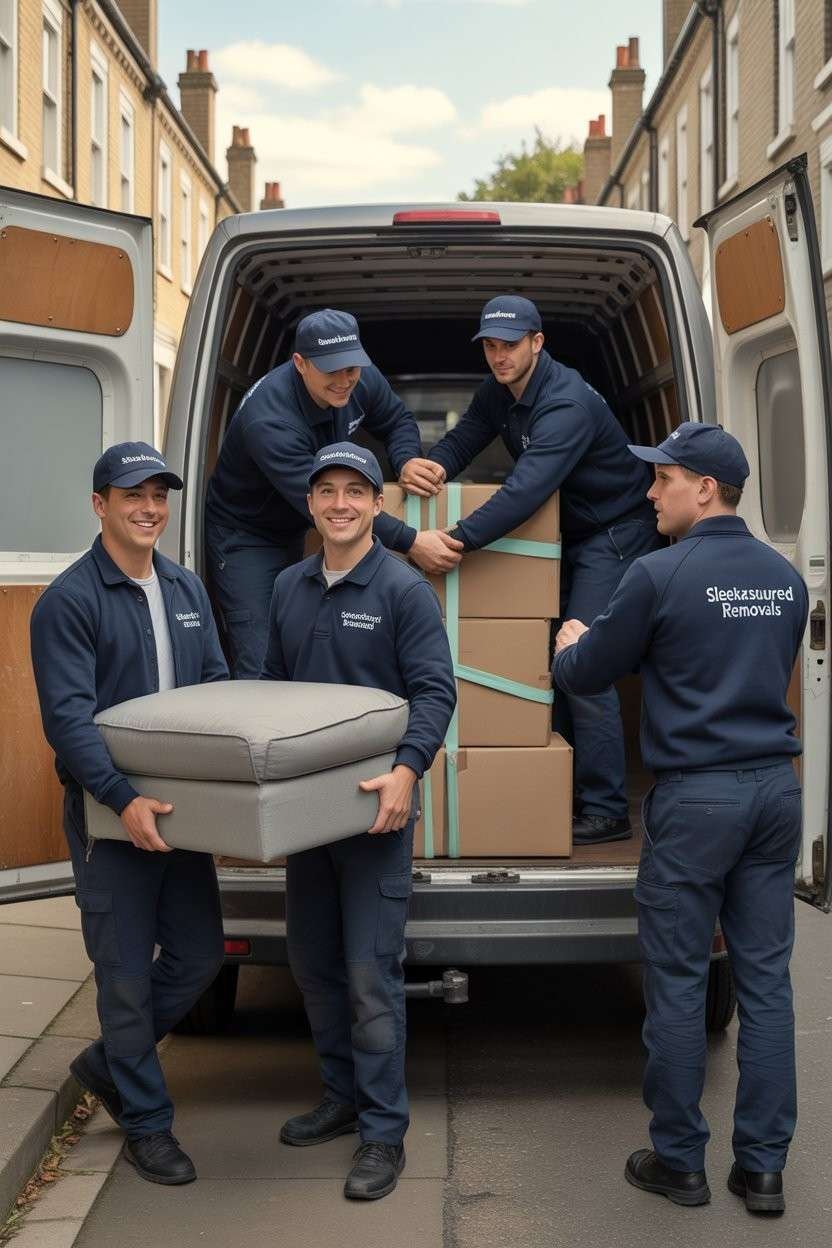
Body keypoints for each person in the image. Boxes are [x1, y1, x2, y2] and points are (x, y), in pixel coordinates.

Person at [552, 423, 808, 1214]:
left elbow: (591, 671)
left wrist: (571, 641)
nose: (650, 491)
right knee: (765, 983)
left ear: (706, 488)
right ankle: (763, 1169)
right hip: (774, 791)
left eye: (663, 479)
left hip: (698, 798)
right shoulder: (785, 578)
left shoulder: (656, 574)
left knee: (676, 980)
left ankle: (679, 1160)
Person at [30, 442, 229, 1187]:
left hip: (183, 808)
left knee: (200, 955)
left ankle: (107, 1064)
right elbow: (69, 721)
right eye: (131, 495)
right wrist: (121, 796)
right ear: (100, 505)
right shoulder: (70, 601)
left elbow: (213, 683)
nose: (149, 508)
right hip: (109, 814)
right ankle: (148, 1124)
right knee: (123, 976)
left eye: (158, 494)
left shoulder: (183, 588)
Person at [261, 441, 455, 1202]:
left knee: (372, 976)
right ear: (311, 504)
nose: (340, 503)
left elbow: (436, 693)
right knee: (314, 966)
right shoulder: (287, 587)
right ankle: (341, 1098)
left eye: (355, 491)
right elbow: (271, 695)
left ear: (379, 504)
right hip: (307, 816)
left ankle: (383, 1132)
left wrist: (407, 771)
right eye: (326, 491)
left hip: (375, 812)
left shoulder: (404, 591)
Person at [424, 295, 662, 845]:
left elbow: (526, 491)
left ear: (537, 342)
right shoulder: (502, 389)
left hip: (615, 531)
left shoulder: (566, 404)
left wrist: (452, 540)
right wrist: (433, 465)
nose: (498, 355)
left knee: (581, 655)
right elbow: (468, 433)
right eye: (489, 345)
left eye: (510, 344)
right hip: (571, 533)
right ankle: (565, 786)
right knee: (544, 650)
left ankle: (605, 809)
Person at [205, 307, 460, 678]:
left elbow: (398, 419)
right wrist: (412, 541)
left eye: (351, 368)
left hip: (303, 525)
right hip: (248, 536)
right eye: (331, 370)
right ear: (300, 363)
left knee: (314, 644)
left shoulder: (360, 379)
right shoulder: (270, 421)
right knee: (262, 659)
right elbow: (331, 504)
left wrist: (405, 460)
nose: (344, 380)